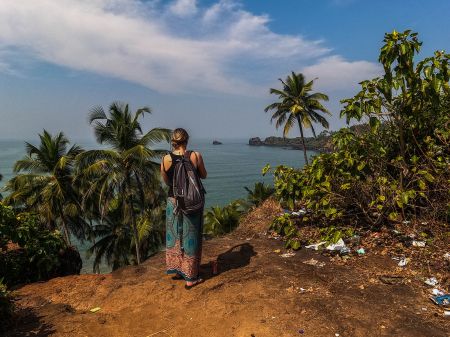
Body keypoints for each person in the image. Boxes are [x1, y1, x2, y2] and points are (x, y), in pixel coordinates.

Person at [160, 128, 207, 289]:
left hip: (173, 201)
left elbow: (166, 181)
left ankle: (178, 269)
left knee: (176, 234)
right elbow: (203, 175)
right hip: (191, 201)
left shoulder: (165, 159)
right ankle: (191, 277)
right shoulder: (195, 156)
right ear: (187, 140)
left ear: (173, 141)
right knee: (191, 236)